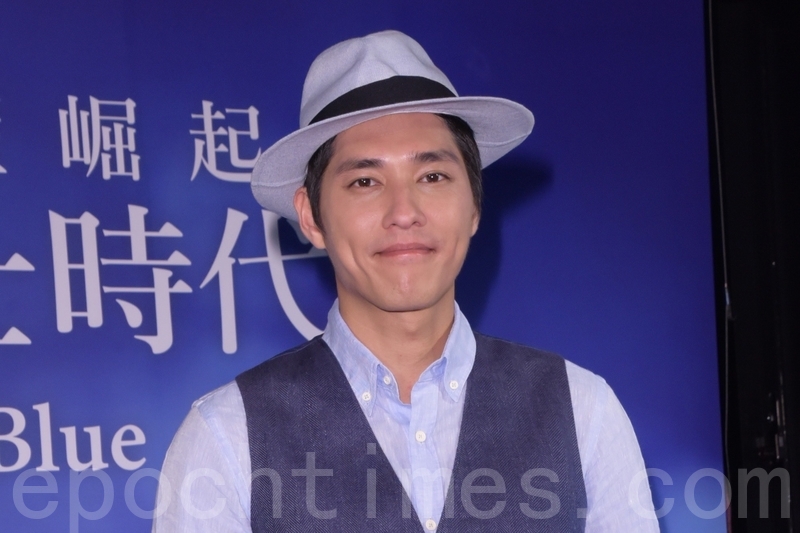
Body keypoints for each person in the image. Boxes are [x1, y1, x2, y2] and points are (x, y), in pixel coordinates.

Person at [153, 30, 659, 532]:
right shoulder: (227, 436)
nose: (404, 212)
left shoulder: (582, 411)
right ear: (310, 216)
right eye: (365, 181)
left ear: (475, 203)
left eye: (432, 177)